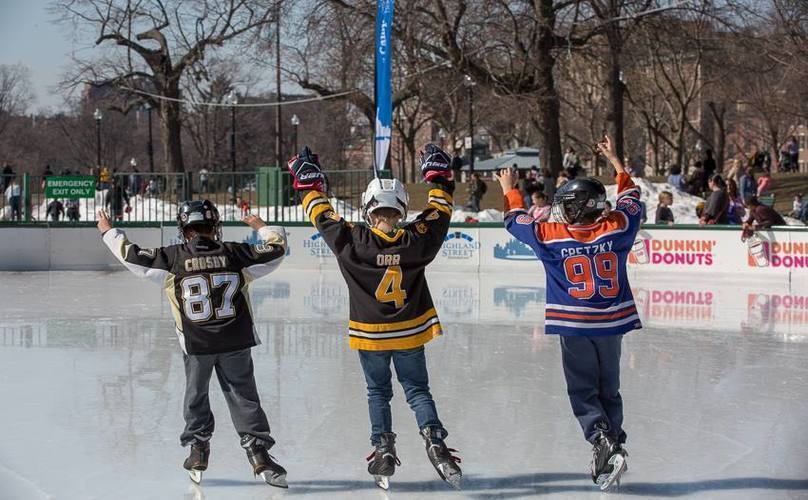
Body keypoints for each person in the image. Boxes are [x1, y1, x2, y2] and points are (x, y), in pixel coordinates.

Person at [290, 145, 462, 490]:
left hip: (370, 335)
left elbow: (319, 213)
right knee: (417, 391)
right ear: (401, 208)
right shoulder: (417, 239)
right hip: (411, 330)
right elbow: (440, 210)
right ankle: (435, 442)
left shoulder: (352, 239)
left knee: (377, 392)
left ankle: (383, 447)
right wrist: (439, 178)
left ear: (369, 209)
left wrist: (309, 180)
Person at [96, 201, 289, 488]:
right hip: (235, 339)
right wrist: (261, 226)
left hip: (197, 342)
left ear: (184, 230)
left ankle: (198, 447)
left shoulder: (172, 258)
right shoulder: (235, 253)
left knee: (196, 393)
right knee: (243, 394)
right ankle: (258, 451)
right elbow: (277, 249)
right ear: (215, 227)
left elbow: (131, 256)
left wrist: (109, 231)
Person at [496, 134, 638, 491]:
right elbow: (632, 199)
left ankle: (601, 440)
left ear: (574, 208)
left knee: (583, 390)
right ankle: (614, 444)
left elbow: (514, 220)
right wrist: (617, 164)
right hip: (612, 323)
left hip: (573, 324)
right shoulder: (618, 227)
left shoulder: (551, 234)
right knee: (610, 389)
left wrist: (511, 189)